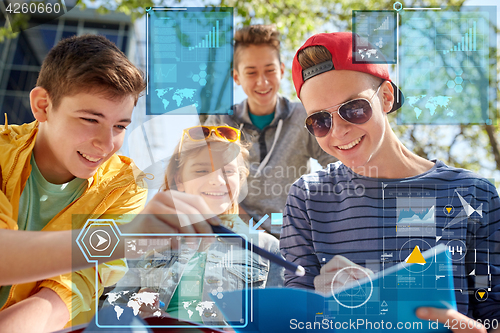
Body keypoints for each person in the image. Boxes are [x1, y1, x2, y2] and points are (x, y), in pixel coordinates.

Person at [280, 32, 499, 332]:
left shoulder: (474, 194)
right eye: (320, 121)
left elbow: (493, 314)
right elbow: (293, 317)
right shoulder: (307, 197)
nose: (339, 131)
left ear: (385, 97)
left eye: (354, 109)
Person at [105, 125, 284, 325]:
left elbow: (286, 322)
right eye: (202, 170)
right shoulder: (146, 244)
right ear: (179, 180)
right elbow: (107, 320)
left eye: (228, 171)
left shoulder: (267, 248)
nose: (217, 180)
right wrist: (133, 312)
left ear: (240, 180)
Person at [205, 25, 337, 238]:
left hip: (294, 234)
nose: (262, 81)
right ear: (237, 77)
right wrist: (252, 231)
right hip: (237, 232)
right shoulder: (222, 121)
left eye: (270, 70)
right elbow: (204, 181)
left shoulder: (304, 116)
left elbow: (338, 165)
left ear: (282, 71)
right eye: (251, 72)